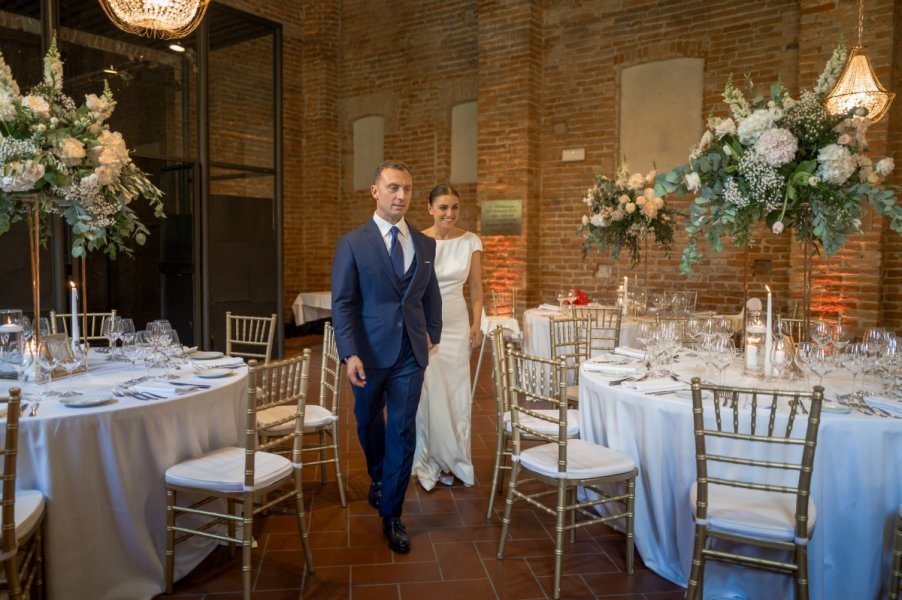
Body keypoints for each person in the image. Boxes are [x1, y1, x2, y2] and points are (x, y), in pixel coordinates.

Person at [331, 161, 442, 554]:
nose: (401, 196)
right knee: (367, 422)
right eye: (393, 188)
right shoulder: (352, 243)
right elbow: (342, 304)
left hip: (411, 353)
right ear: (376, 192)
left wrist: (433, 333)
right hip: (368, 355)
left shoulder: (425, 245)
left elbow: (430, 294)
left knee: (401, 428)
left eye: (407, 190)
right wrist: (350, 354)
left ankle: (392, 513)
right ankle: (378, 476)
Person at [412, 184, 483, 491]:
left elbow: (477, 288)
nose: (449, 213)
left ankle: (456, 459)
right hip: (428, 324)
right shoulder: (418, 240)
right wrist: (419, 327)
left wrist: (477, 324)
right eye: (443, 207)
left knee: (456, 392)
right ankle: (429, 458)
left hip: (457, 322)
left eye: (454, 207)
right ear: (430, 209)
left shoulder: (470, 241)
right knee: (430, 393)